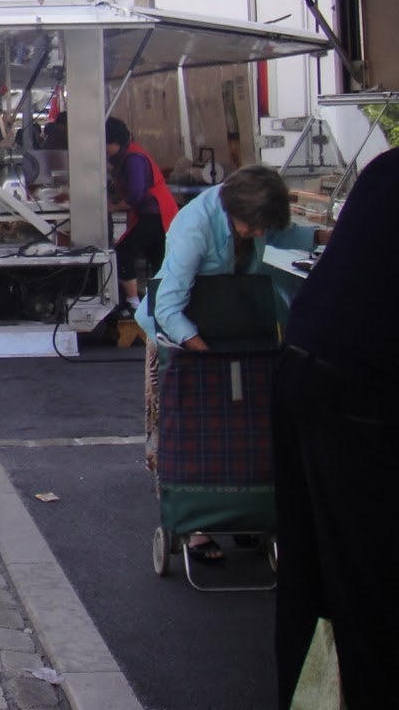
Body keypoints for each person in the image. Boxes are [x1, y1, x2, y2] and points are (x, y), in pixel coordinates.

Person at [133, 165, 327, 563]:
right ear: (234, 212)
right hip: (183, 336)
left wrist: (321, 236)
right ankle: (196, 525)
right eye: (253, 228)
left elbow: (278, 234)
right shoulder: (195, 226)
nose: (259, 235)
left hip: (232, 328)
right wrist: (204, 355)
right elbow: (167, 306)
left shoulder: (251, 212)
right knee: (188, 431)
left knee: (244, 427)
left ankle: (241, 514)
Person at [273, 149, 395, 709]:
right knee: (367, 579)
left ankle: (312, 693)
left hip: (311, 360)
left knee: (317, 569)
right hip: (357, 387)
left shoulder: (387, 168)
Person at [105, 117, 177, 317]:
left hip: (156, 214)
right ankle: (161, 306)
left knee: (123, 252)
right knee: (158, 260)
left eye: (105, 145)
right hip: (155, 214)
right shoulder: (128, 155)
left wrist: (114, 207)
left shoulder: (133, 158)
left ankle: (134, 303)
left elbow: (135, 195)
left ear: (113, 142)